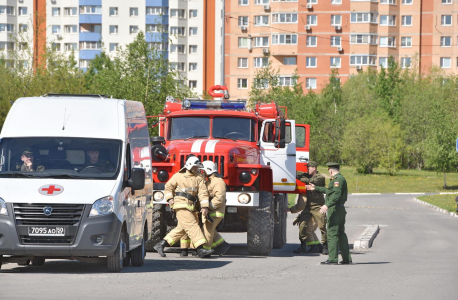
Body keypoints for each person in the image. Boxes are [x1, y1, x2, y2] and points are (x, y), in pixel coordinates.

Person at [153, 156, 214, 258]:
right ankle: (200, 249)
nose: (196, 168)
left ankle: (161, 244)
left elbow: (203, 193)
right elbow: (168, 188)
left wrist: (204, 207)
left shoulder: (199, 177)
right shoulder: (178, 176)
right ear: (189, 165)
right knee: (192, 225)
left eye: (197, 167)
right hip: (180, 204)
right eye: (195, 167)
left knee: (182, 228)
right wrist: (170, 199)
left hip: (192, 206)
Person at [307, 162, 352, 265]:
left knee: (331, 234)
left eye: (329, 171)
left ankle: (332, 259)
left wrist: (326, 205)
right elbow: (329, 191)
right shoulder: (337, 179)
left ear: (330, 170)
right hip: (338, 209)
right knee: (341, 234)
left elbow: (336, 195)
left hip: (335, 210)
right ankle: (346, 259)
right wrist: (316, 188)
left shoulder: (338, 179)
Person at [295, 161, 328, 254]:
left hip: (318, 206)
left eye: (308, 168)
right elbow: (299, 173)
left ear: (314, 168)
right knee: (302, 225)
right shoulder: (307, 175)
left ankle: (325, 246)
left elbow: (312, 181)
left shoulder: (320, 177)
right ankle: (303, 246)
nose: (307, 169)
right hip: (308, 206)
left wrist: (301, 178)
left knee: (322, 226)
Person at [200, 160, 231, 256]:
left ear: (208, 170)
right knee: (210, 229)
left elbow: (219, 198)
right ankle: (223, 246)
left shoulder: (218, 181)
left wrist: (208, 207)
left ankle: (206, 250)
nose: (202, 173)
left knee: (208, 230)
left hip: (216, 211)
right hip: (212, 211)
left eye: (203, 171)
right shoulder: (211, 181)